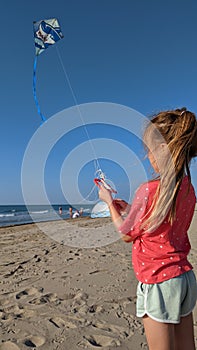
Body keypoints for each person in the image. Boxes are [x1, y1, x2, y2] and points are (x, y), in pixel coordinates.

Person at [99, 108, 197, 350]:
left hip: (159, 282)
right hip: (184, 278)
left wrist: (110, 204)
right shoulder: (187, 188)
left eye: (150, 150)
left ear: (163, 149)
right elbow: (165, 219)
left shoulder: (149, 190)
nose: (149, 155)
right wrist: (132, 208)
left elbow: (125, 233)